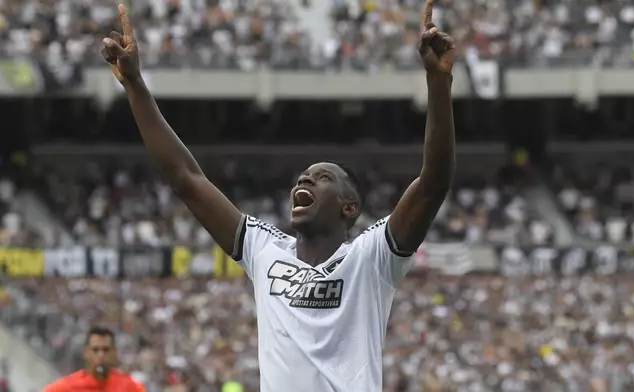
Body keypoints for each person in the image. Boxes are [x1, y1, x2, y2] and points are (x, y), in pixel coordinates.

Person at [101, 1, 455, 390]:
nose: (304, 180)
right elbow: (186, 179)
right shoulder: (265, 249)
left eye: (321, 178)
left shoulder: (370, 259)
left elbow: (432, 183)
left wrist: (438, 83)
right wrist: (134, 84)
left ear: (348, 207)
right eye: (302, 177)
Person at [43, 327, 144, 392]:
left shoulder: (131, 387)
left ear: (114, 352)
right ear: (86, 352)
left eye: (106, 349)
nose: (101, 354)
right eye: (95, 350)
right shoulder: (65, 388)